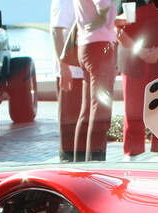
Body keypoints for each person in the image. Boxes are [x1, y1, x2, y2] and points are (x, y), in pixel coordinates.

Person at [117, 0, 158, 160]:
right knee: (133, 108)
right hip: (132, 61)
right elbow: (115, 27)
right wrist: (138, 50)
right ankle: (132, 152)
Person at [74, 0, 118, 161]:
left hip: (85, 45)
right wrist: (104, 16)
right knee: (100, 109)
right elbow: (103, 7)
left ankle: (79, 162)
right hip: (99, 46)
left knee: (88, 109)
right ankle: (95, 162)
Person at [51, 0, 86, 162]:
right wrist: (63, 66)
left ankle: (82, 160)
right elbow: (56, 31)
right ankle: (67, 160)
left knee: (82, 118)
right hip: (70, 71)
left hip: (85, 68)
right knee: (69, 118)